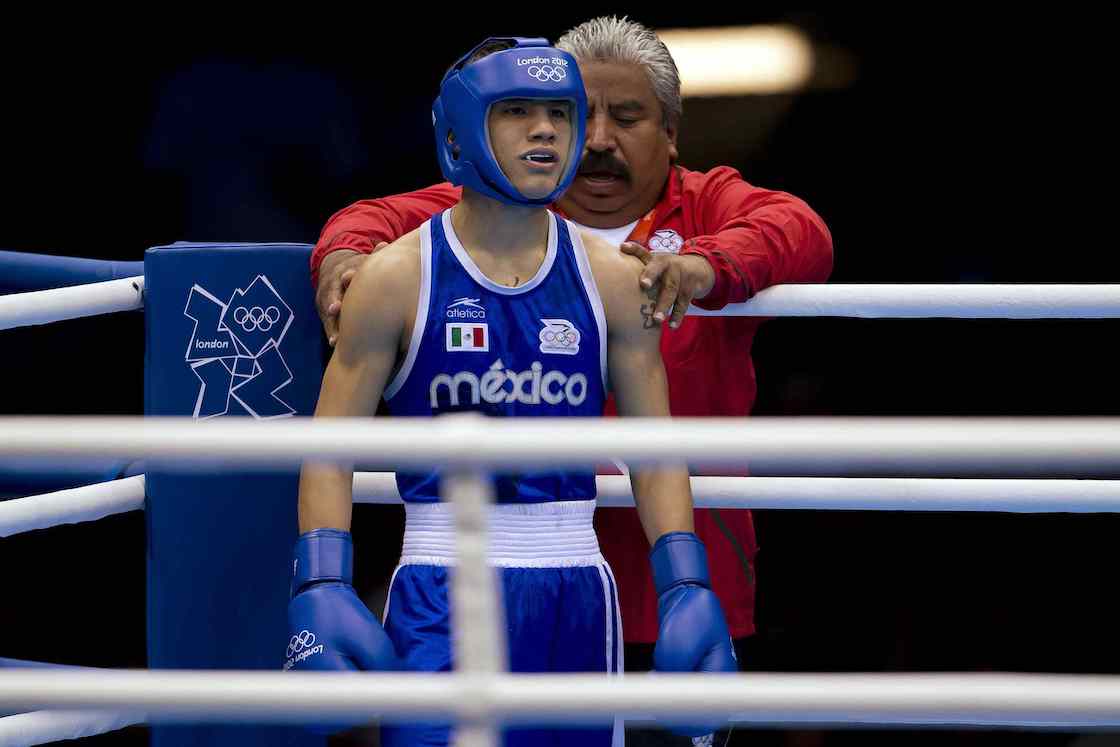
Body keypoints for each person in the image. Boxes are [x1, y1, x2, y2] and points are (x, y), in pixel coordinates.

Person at [311, 17, 834, 744]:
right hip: (463, 570)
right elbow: (372, 221)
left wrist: (704, 267)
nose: (584, 140)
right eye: (566, 114)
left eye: (621, 118)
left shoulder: (695, 214)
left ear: (672, 131)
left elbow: (798, 228)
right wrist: (343, 256)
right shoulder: (483, 218)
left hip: (644, 594)